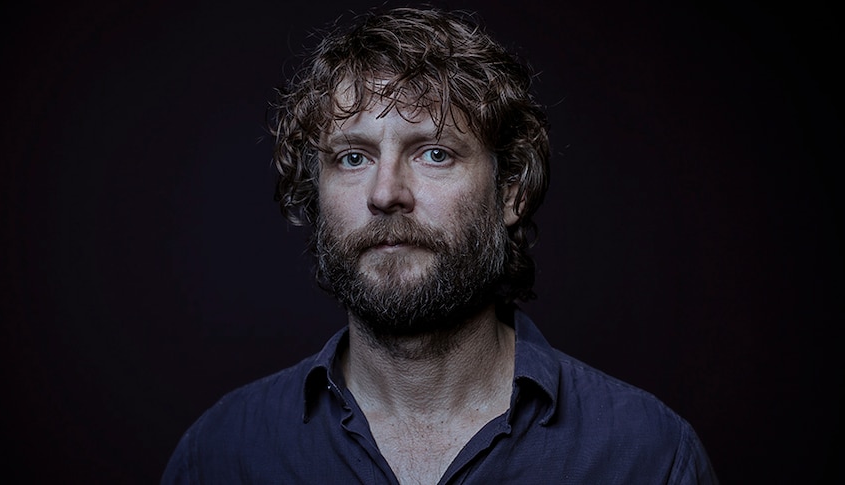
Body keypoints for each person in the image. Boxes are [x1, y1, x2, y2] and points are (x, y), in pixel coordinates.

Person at [162, 7, 717, 484]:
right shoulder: (220, 456)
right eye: (353, 157)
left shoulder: (649, 457)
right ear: (317, 192)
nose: (386, 194)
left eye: (434, 153)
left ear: (511, 192)